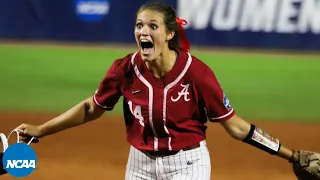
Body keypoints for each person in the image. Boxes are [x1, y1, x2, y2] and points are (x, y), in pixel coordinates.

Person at [16, 2, 300, 180]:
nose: (143, 32)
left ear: (169, 34)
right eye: (139, 25)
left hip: (187, 165)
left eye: (153, 26)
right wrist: (42, 129)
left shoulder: (197, 74)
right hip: (139, 165)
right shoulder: (124, 69)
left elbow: (235, 127)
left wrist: (291, 156)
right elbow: (92, 107)